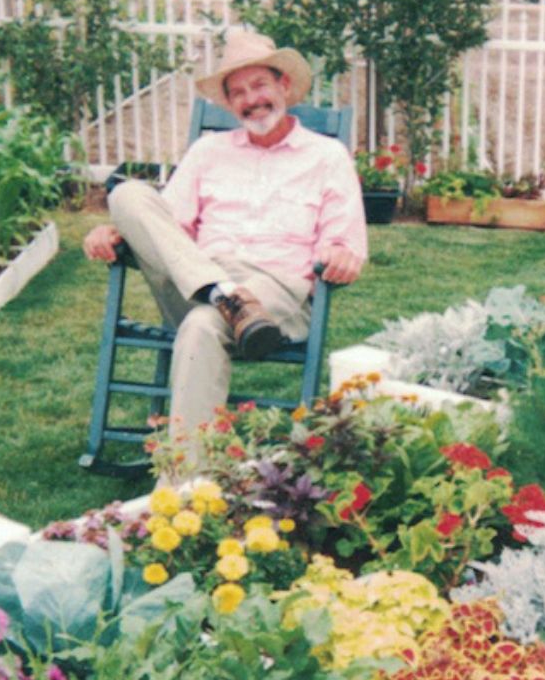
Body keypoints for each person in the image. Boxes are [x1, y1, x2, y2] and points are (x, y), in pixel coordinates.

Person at [83, 29, 367, 455]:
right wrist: (117, 233)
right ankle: (222, 293)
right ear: (229, 103)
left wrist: (341, 256)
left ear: (283, 85)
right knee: (126, 194)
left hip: (274, 294)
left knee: (201, 325)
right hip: (196, 283)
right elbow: (168, 229)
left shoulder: (326, 157)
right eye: (238, 92)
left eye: (260, 85)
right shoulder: (208, 150)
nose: (251, 99)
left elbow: (346, 244)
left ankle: (185, 481)